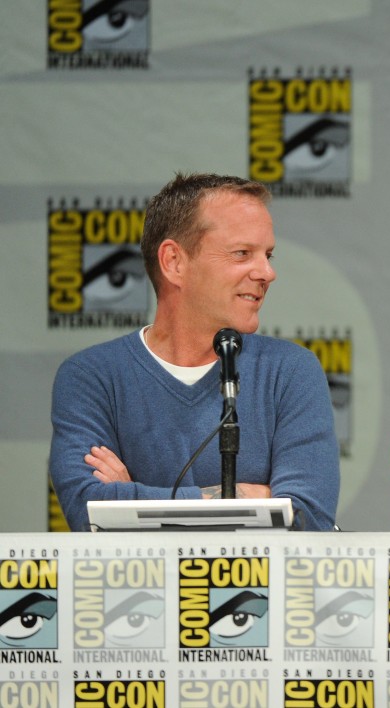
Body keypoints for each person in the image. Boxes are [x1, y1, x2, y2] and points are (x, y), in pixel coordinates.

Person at [49, 172, 340, 531]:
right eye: (242, 253)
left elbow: (309, 517)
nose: (267, 272)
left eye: (268, 255)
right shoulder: (91, 377)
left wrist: (131, 497)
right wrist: (256, 498)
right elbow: (87, 510)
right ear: (174, 262)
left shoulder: (291, 372)